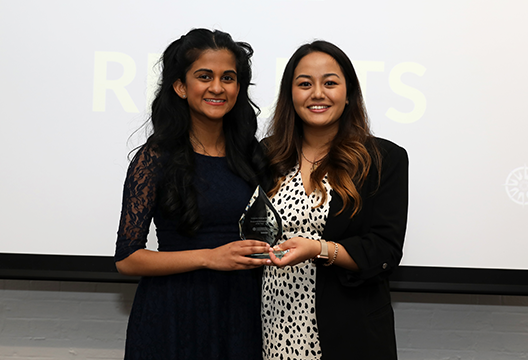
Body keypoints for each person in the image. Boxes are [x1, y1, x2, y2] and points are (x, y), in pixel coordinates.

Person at [114, 28, 271, 360]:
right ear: (181, 87)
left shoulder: (252, 156)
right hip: (172, 314)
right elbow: (128, 259)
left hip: (241, 312)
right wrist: (209, 257)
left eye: (228, 77)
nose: (217, 87)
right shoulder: (155, 158)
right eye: (205, 76)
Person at [261, 40, 408, 360]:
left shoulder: (384, 159)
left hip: (349, 332)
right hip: (273, 328)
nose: (317, 93)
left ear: (349, 93)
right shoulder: (267, 155)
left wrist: (319, 249)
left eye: (330, 82)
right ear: (290, 95)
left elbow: (385, 249)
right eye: (304, 84)